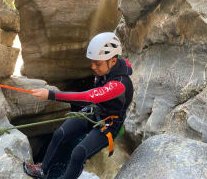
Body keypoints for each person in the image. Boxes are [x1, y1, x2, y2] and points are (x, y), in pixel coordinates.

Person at [23, 32, 134, 179]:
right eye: (92, 62)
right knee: (60, 134)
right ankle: (43, 169)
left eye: (97, 63)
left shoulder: (119, 85)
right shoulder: (105, 70)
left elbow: (87, 96)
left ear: (113, 61)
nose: (93, 66)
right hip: (96, 112)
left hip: (109, 123)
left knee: (78, 153)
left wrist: (51, 94)